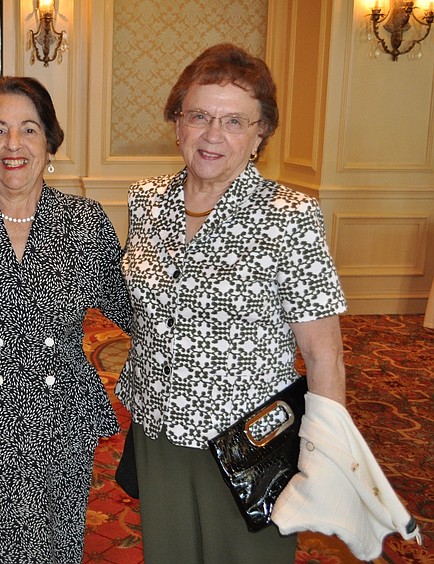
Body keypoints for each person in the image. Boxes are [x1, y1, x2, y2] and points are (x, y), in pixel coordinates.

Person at [116, 43, 347, 563]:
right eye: (198, 115)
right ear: (177, 123)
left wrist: (322, 455)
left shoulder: (289, 215)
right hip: (159, 433)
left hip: (249, 442)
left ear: (260, 133)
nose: (212, 134)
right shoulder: (147, 199)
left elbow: (324, 354)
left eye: (234, 121)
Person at [0, 76, 131, 563]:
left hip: (59, 412)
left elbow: (130, 307)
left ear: (50, 142)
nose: (13, 144)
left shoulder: (83, 221)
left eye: (29, 129)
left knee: (55, 550)